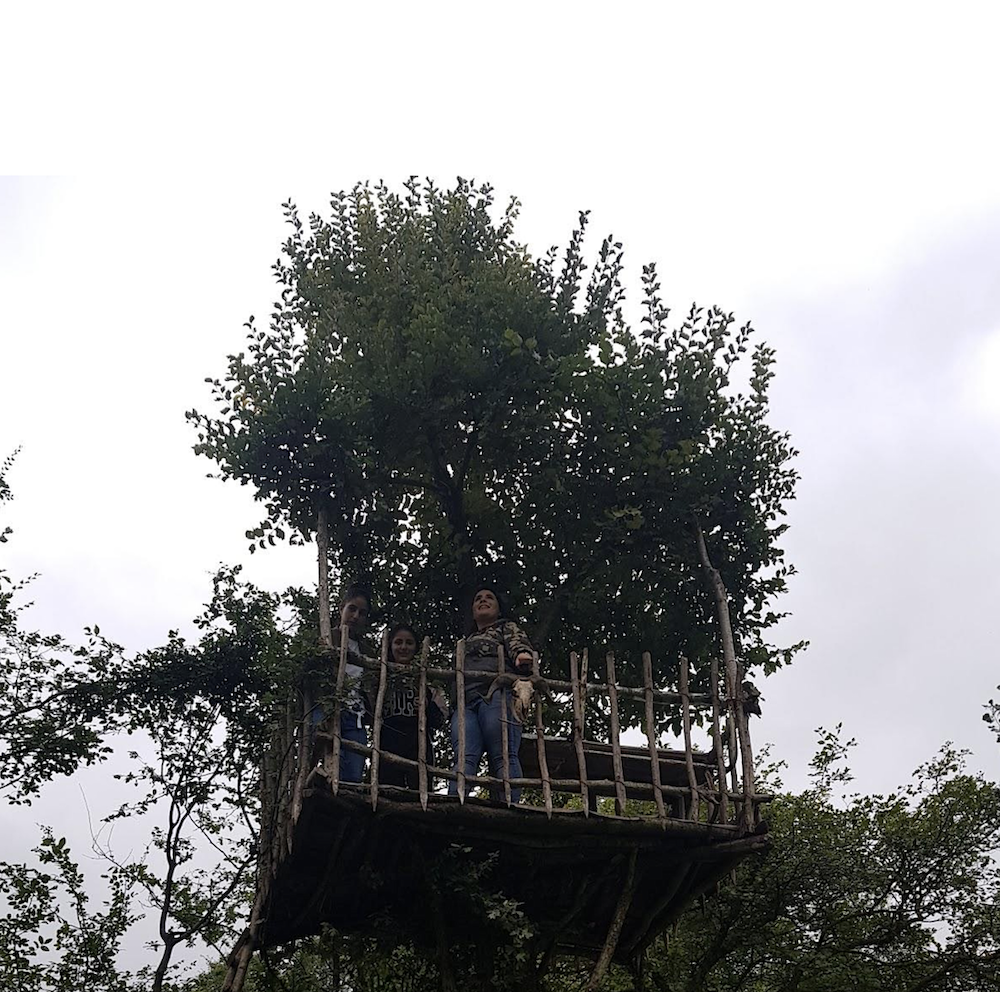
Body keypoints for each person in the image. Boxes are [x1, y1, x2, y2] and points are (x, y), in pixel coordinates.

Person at [449, 585, 536, 803]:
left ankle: (509, 805)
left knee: (503, 754)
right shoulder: (465, 641)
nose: (483, 600)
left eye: (489, 598)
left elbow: (519, 645)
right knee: (464, 757)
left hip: (497, 694)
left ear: (499, 609)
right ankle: (454, 803)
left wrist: (522, 656)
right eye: (478, 598)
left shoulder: (505, 627)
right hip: (465, 702)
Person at [311, 584, 372, 783]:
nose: (355, 616)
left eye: (362, 613)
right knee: (329, 762)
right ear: (341, 608)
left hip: (356, 715)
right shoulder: (326, 639)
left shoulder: (366, 650)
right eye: (352, 609)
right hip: (329, 707)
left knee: (353, 774)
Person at [378, 623, 447, 789]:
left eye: (409, 643)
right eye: (398, 642)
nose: (403, 647)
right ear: (390, 646)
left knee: (420, 793)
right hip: (388, 745)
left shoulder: (428, 683)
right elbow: (369, 713)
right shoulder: (380, 680)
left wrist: (427, 706)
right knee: (389, 793)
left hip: (418, 747)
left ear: (416, 648)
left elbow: (440, 721)